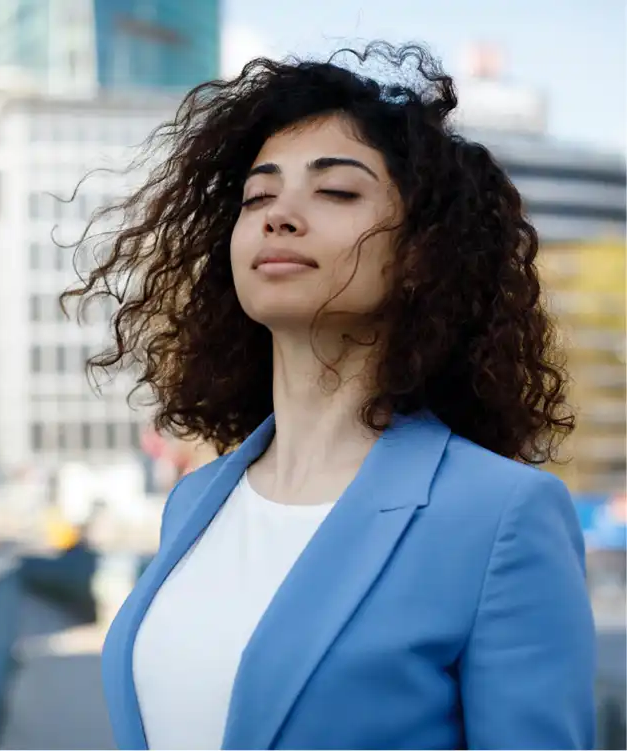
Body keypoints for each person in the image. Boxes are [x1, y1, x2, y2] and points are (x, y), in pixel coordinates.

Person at [61, 42, 596, 750]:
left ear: (420, 254)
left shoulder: (502, 517)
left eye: (336, 191)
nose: (279, 214)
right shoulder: (198, 500)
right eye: (258, 195)